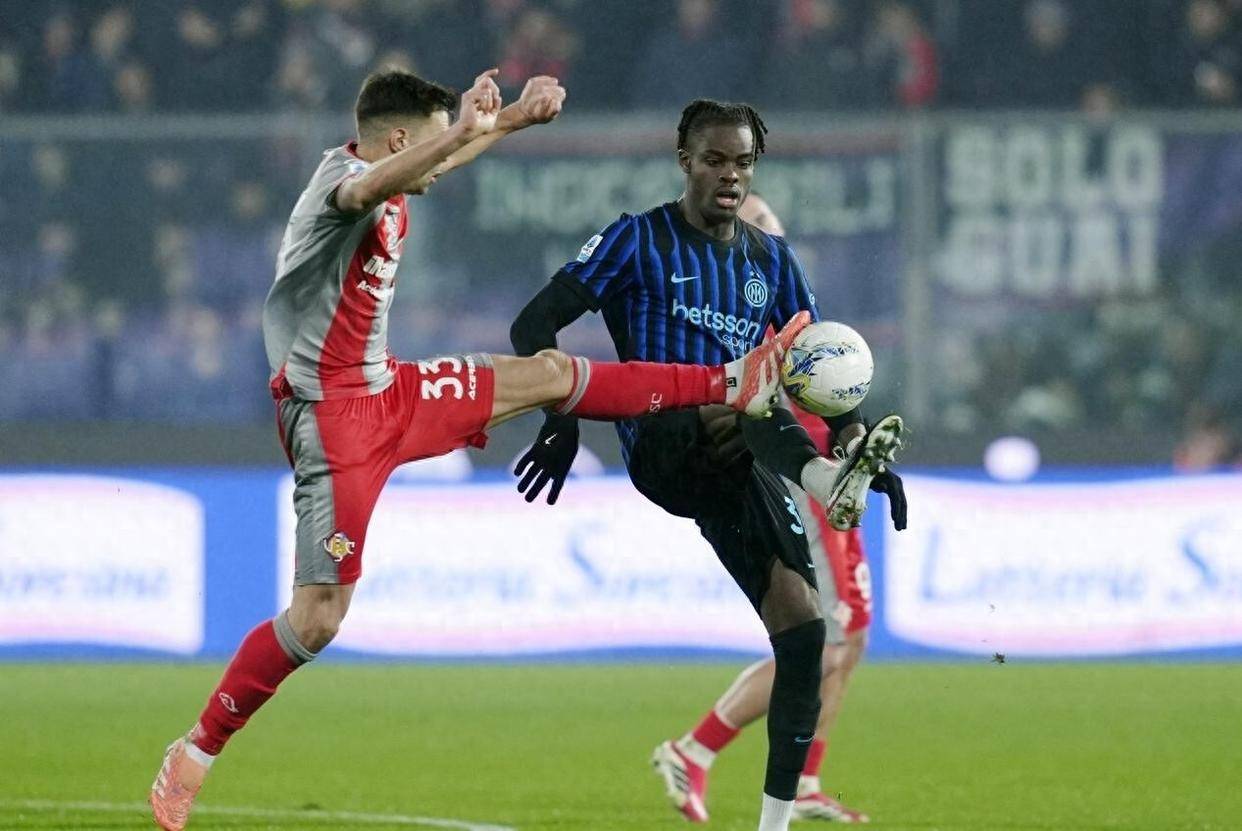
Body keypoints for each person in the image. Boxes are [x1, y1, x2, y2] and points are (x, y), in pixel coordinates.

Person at [148, 68, 807, 831]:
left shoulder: (394, 167)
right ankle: (196, 748)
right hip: (331, 425)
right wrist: (464, 129)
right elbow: (369, 189)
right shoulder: (339, 188)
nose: (440, 164)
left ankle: (725, 379)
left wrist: (512, 120)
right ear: (400, 140)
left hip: (391, 390)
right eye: (433, 145)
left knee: (552, 372)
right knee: (319, 618)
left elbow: (421, 166)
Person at [509, 99, 906, 831]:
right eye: (716, 160)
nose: (730, 175)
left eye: (743, 162)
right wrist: (559, 415)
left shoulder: (771, 260)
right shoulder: (638, 239)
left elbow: (821, 368)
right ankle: (821, 479)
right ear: (685, 160)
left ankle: (773, 823)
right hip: (662, 440)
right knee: (748, 387)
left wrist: (855, 440)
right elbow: (533, 322)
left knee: (806, 629)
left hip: (738, 457)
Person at [653, 194, 875, 824]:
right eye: (761, 231)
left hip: (832, 471)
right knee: (823, 644)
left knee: (852, 636)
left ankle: (805, 782)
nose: (774, 244)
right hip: (802, 479)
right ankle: (693, 748)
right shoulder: (733, 317)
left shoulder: (787, 301)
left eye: (777, 232)